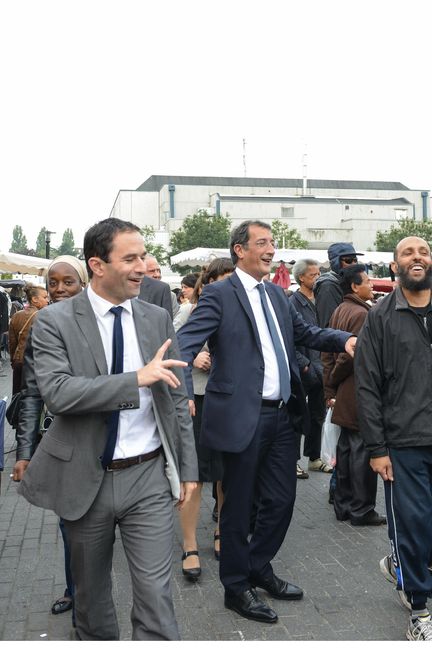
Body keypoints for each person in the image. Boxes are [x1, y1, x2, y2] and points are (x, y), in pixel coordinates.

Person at [17, 218, 198, 641]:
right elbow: (59, 395)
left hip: (148, 477)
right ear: (97, 265)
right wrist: (136, 378)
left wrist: (188, 469)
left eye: (144, 256)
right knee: (91, 599)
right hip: (83, 475)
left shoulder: (156, 317)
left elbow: (174, 398)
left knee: (156, 596)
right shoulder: (54, 322)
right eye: (130, 258)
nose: (142, 266)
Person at [177, 220, 356, 624]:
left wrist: (341, 339)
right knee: (238, 507)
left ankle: (257, 567)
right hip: (242, 418)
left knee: (281, 501)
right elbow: (185, 345)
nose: (271, 249)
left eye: (273, 242)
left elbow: (305, 331)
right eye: (262, 243)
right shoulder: (220, 295)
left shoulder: (277, 295)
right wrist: (185, 393)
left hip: (281, 418)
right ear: (239, 250)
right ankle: (236, 587)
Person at [355, 236, 432, 641]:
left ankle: (403, 563)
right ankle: (419, 609)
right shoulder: (380, 317)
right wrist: (377, 448)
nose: (417, 257)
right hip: (403, 445)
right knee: (414, 524)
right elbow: (366, 385)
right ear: (395, 267)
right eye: (408, 253)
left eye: (423, 252)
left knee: (426, 531)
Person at [12, 256, 89, 619]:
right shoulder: (41, 325)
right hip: (60, 443)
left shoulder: (99, 325)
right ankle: (76, 592)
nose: (59, 289)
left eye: (68, 282)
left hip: (105, 444)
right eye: (52, 282)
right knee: (69, 524)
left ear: (84, 283)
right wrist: (24, 453)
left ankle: (91, 592)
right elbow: (31, 394)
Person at [178, 258, 234, 582]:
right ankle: (189, 546)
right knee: (195, 474)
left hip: (225, 401)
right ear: (208, 281)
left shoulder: (238, 308)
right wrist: (195, 356)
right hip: (196, 401)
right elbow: (175, 350)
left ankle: (220, 531)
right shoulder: (190, 310)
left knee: (224, 474)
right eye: (222, 280)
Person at [322, 264, 386, 526]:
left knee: (347, 449)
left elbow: (327, 351)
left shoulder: (341, 309)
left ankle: (344, 504)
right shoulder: (361, 313)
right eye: (367, 282)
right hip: (357, 389)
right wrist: (335, 381)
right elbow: (350, 357)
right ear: (354, 286)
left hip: (345, 391)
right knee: (361, 451)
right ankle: (361, 509)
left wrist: (330, 385)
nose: (372, 286)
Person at [290, 259, 331, 479]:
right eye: (314, 275)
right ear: (302, 278)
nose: (318, 277)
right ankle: (293, 460)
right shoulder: (293, 302)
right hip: (303, 367)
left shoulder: (323, 299)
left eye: (319, 273)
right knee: (297, 414)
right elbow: (290, 340)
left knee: (318, 414)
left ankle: (314, 457)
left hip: (321, 366)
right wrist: (304, 366)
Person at [8, 284, 49, 393]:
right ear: (34, 299)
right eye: (45, 297)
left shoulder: (16, 316)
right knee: (33, 398)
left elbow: (12, 343)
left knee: (17, 396)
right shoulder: (44, 317)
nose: (47, 300)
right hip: (36, 364)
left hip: (18, 362)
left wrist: (13, 361)